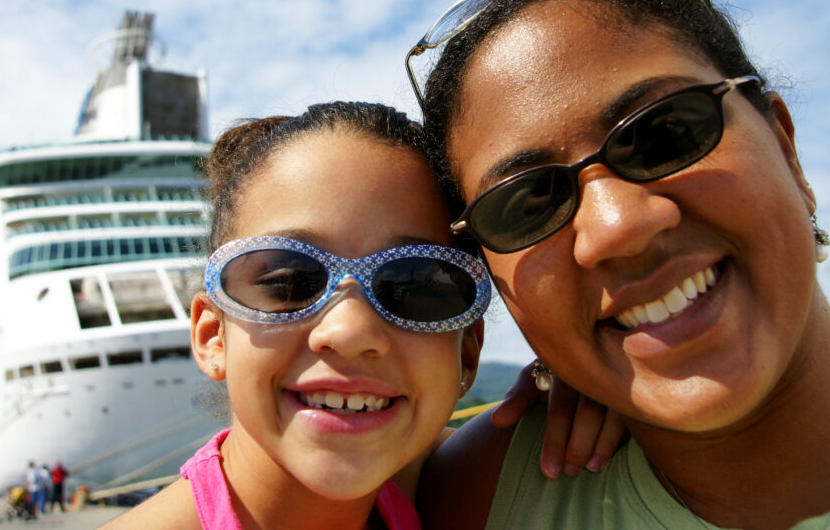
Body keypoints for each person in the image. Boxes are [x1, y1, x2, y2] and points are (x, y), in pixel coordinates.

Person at [407, 0, 830, 528]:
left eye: (666, 133)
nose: (617, 226)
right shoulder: (472, 502)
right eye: (527, 203)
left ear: (786, 148)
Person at [102, 102, 616, 530]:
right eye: (289, 281)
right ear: (213, 335)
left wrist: (599, 382)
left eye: (417, 285)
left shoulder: (448, 479)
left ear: (468, 351)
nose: (349, 331)